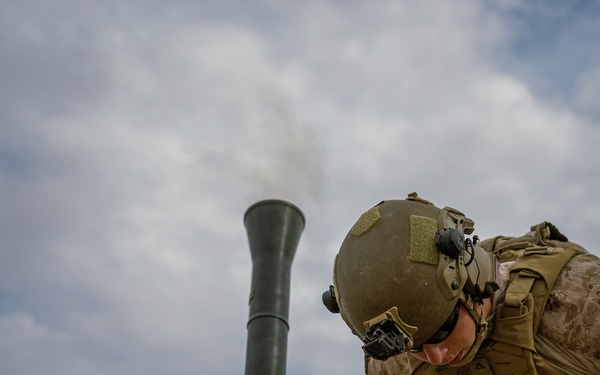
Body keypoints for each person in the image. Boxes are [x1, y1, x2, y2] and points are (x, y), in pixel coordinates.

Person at [322, 192, 600, 374]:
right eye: (415, 345)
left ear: (472, 279)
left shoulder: (578, 300)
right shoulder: (395, 363)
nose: (435, 356)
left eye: (441, 330)